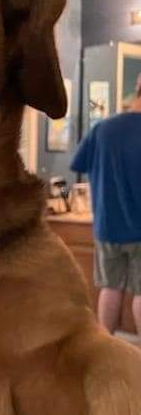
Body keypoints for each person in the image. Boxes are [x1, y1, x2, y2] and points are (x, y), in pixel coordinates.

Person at [70, 74, 141, 338]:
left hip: (108, 227)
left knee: (110, 289)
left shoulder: (103, 129)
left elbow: (78, 164)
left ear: (137, 89)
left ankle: (105, 346)